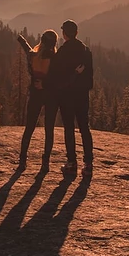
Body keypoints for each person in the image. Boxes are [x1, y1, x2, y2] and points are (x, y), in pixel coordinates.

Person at [48, 19, 94, 177]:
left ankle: (71, 163)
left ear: (64, 34)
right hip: (82, 95)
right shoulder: (86, 51)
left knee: (69, 128)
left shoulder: (63, 51)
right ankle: (88, 164)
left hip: (67, 96)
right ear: (76, 33)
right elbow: (90, 77)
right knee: (84, 128)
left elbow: (55, 74)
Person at [16, 30, 59, 172]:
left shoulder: (33, 56)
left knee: (29, 127)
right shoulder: (55, 58)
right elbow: (57, 77)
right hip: (51, 95)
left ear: (42, 41)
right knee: (49, 129)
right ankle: (45, 161)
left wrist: (22, 40)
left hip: (35, 94)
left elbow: (27, 49)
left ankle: (22, 159)